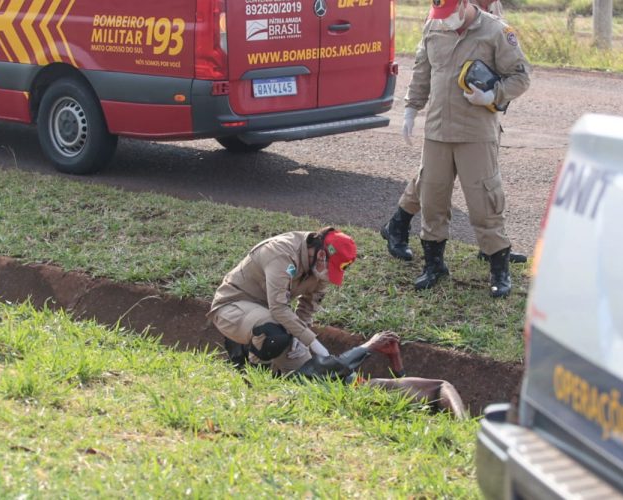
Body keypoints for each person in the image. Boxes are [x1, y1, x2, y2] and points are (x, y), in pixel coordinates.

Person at [380, 0, 530, 298]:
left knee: (483, 201)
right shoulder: (434, 26)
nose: (445, 20)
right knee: (433, 198)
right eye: (441, 15)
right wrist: (411, 108)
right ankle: (434, 265)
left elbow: (521, 75)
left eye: (449, 14)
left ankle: (498, 269)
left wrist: (493, 93)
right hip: (437, 130)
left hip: (476, 131)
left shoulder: (495, 30)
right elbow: (423, 69)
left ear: (464, 5)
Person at [208, 227, 357, 374]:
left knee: (306, 371)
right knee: (273, 334)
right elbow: (278, 307)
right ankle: (255, 376)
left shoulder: (320, 270)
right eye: (330, 269)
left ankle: (273, 370)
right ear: (321, 255)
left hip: (271, 315)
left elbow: (309, 306)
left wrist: (301, 332)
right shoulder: (281, 253)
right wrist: (311, 341)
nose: (329, 276)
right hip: (233, 307)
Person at [288, 331, 468, 419]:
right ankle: (464, 428)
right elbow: (337, 366)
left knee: (429, 400)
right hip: (361, 389)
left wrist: (395, 359)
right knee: (440, 387)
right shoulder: (296, 371)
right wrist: (369, 345)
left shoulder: (295, 367)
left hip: (364, 391)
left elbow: (404, 392)